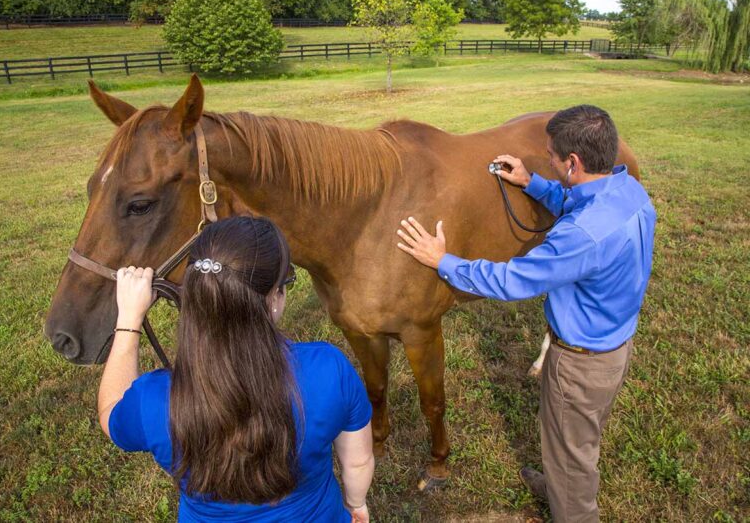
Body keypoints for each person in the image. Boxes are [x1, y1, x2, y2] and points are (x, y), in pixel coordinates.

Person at [395, 105, 656, 522]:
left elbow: (510, 282)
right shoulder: (627, 192)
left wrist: (443, 260)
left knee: (574, 452)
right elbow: (576, 203)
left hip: (580, 364)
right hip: (613, 346)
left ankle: (570, 504)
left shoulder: (580, 237)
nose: (548, 160)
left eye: (551, 157)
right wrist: (533, 182)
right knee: (573, 441)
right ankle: (560, 481)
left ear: (573, 162)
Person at [97, 216, 374, 522]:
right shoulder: (329, 370)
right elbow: (357, 463)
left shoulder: (154, 400)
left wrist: (128, 321)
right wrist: (355, 504)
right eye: (286, 284)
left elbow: (111, 412)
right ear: (273, 298)